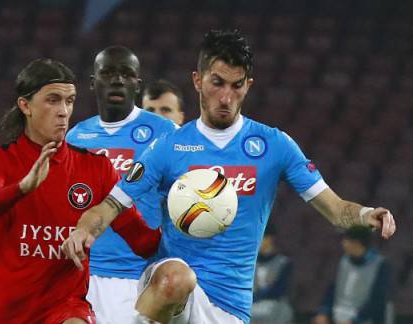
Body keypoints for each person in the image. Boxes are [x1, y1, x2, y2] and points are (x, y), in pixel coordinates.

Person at [63, 29, 396, 324]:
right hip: (172, 292)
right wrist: (83, 230)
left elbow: (337, 210)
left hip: (230, 303)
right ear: (198, 80)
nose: (226, 97)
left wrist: (368, 214)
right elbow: (111, 204)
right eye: (217, 83)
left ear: (248, 85)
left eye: (236, 86)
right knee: (174, 277)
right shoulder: (169, 146)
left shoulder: (273, 146)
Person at [0, 58, 160, 324]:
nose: (63, 111)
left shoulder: (96, 168)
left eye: (69, 101)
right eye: (53, 100)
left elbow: (142, 241)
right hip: (2, 310)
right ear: (25, 106)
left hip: (63, 307)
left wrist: (179, 213)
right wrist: (23, 187)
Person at [66, 46, 177, 324]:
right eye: (108, 73)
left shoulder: (164, 133)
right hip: (83, 277)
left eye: (126, 74)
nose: (117, 80)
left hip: (139, 277)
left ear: (137, 85)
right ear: (93, 83)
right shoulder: (76, 137)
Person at [312, 226, 392, 324]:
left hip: (364, 319)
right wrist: (323, 312)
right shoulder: (343, 261)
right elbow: (332, 290)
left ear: (357, 242)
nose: (343, 243)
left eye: (346, 239)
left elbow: (377, 301)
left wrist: (354, 321)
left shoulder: (380, 265)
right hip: (339, 316)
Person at [251, 223, 293, 324]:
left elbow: (278, 290)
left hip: (275, 312)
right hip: (251, 310)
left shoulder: (283, 262)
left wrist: (258, 295)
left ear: (270, 239)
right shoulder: (250, 263)